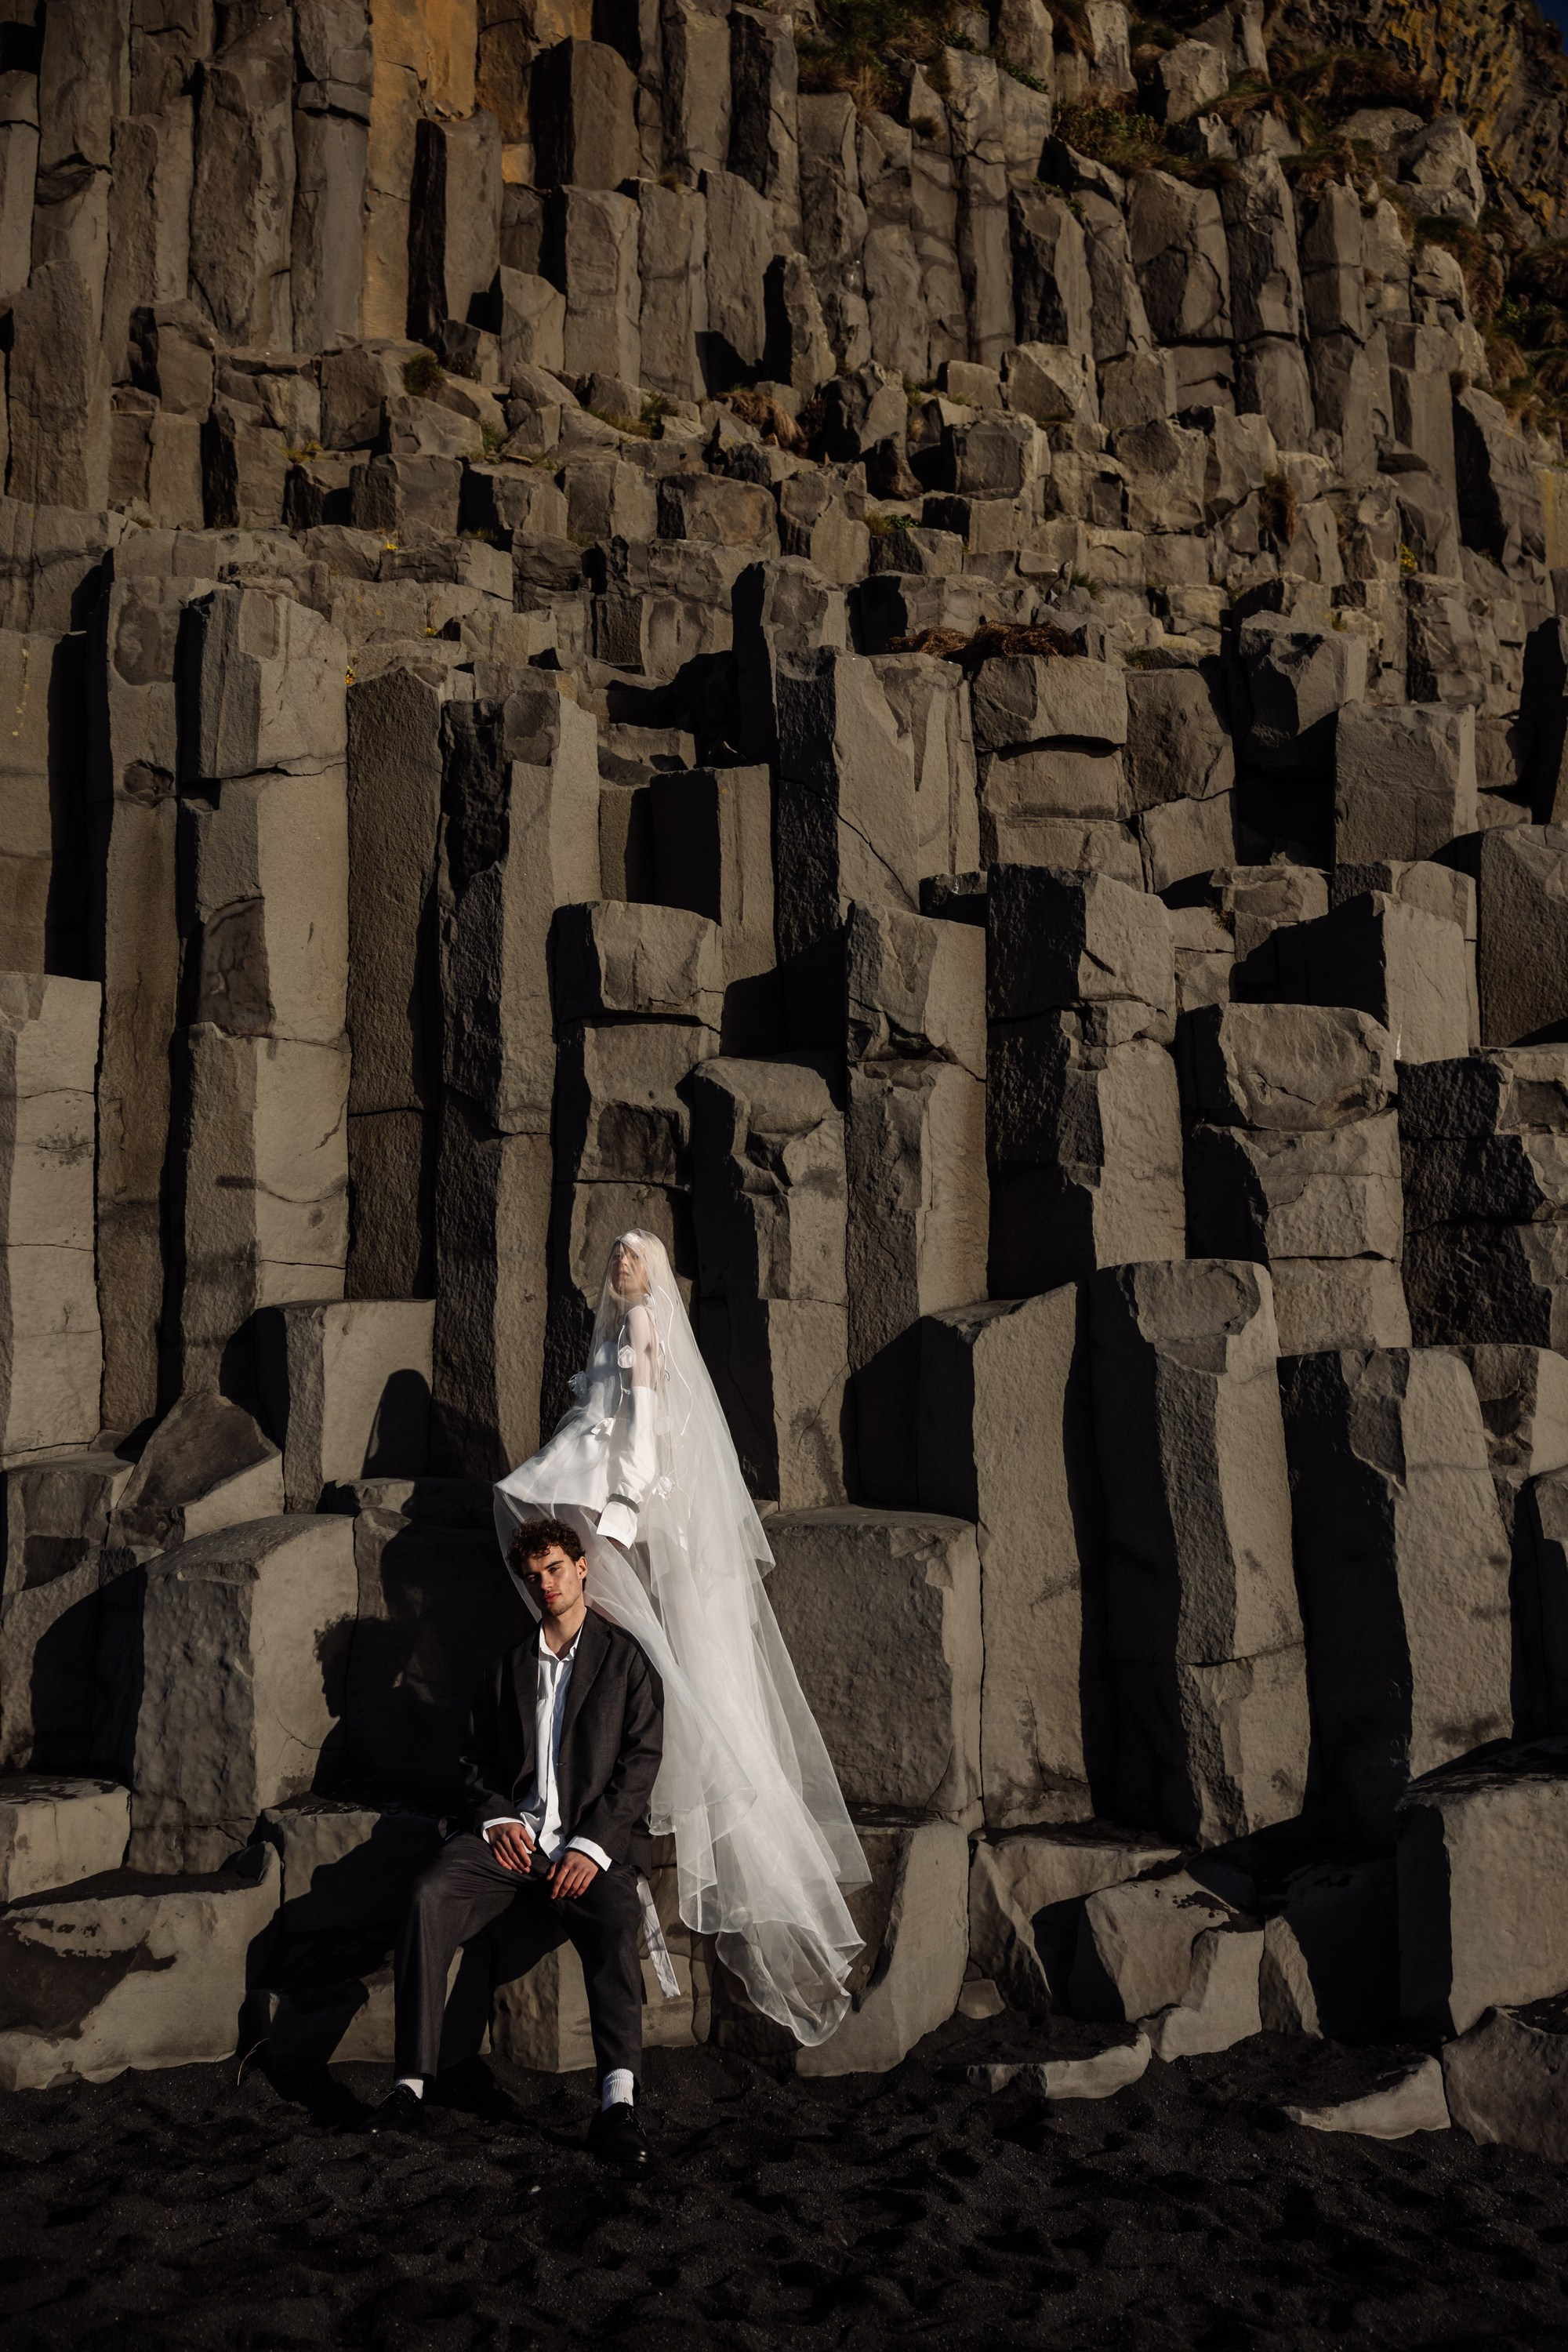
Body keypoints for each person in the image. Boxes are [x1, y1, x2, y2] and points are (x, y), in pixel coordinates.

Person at [494, 1229, 869, 2049]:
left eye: (633, 1256)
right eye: (617, 1256)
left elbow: (649, 1412)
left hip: (616, 1484)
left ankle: (625, 1735)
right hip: (599, 1470)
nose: (620, 1264)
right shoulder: (620, 1327)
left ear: (655, 1269)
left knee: (614, 1616)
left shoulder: (641, 1327)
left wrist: (623, 1505)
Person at [368, 1516, 662, 2169]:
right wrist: (498, 1819)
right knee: (428, 1894)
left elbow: (640, 1765)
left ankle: (617, 2105)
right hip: (514, 1843)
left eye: (555, 1569)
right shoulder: (508, 1667)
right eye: (533, 1577)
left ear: (582, 1567)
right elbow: (474, 1761)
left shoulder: (625, 1660)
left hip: (590, 1845)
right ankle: (411, 2085)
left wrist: (592, 1847)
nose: (545, 1585)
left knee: (617, 1919)